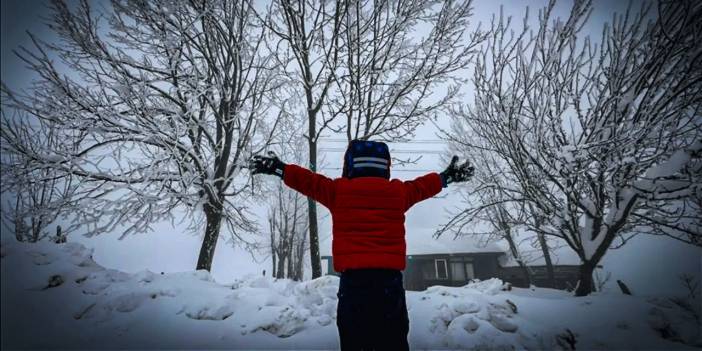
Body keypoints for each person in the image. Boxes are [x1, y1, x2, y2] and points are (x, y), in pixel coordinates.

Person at [249, 139, 474, 351]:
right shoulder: (397, 193)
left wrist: (279, 168)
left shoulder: (339, 191)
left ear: (350, 165)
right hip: (389, 285)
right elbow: (423, 186)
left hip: (354, 286)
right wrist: (448, 176)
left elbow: (308, 182)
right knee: (392, 340)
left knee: (355, 341)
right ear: (385, 166)